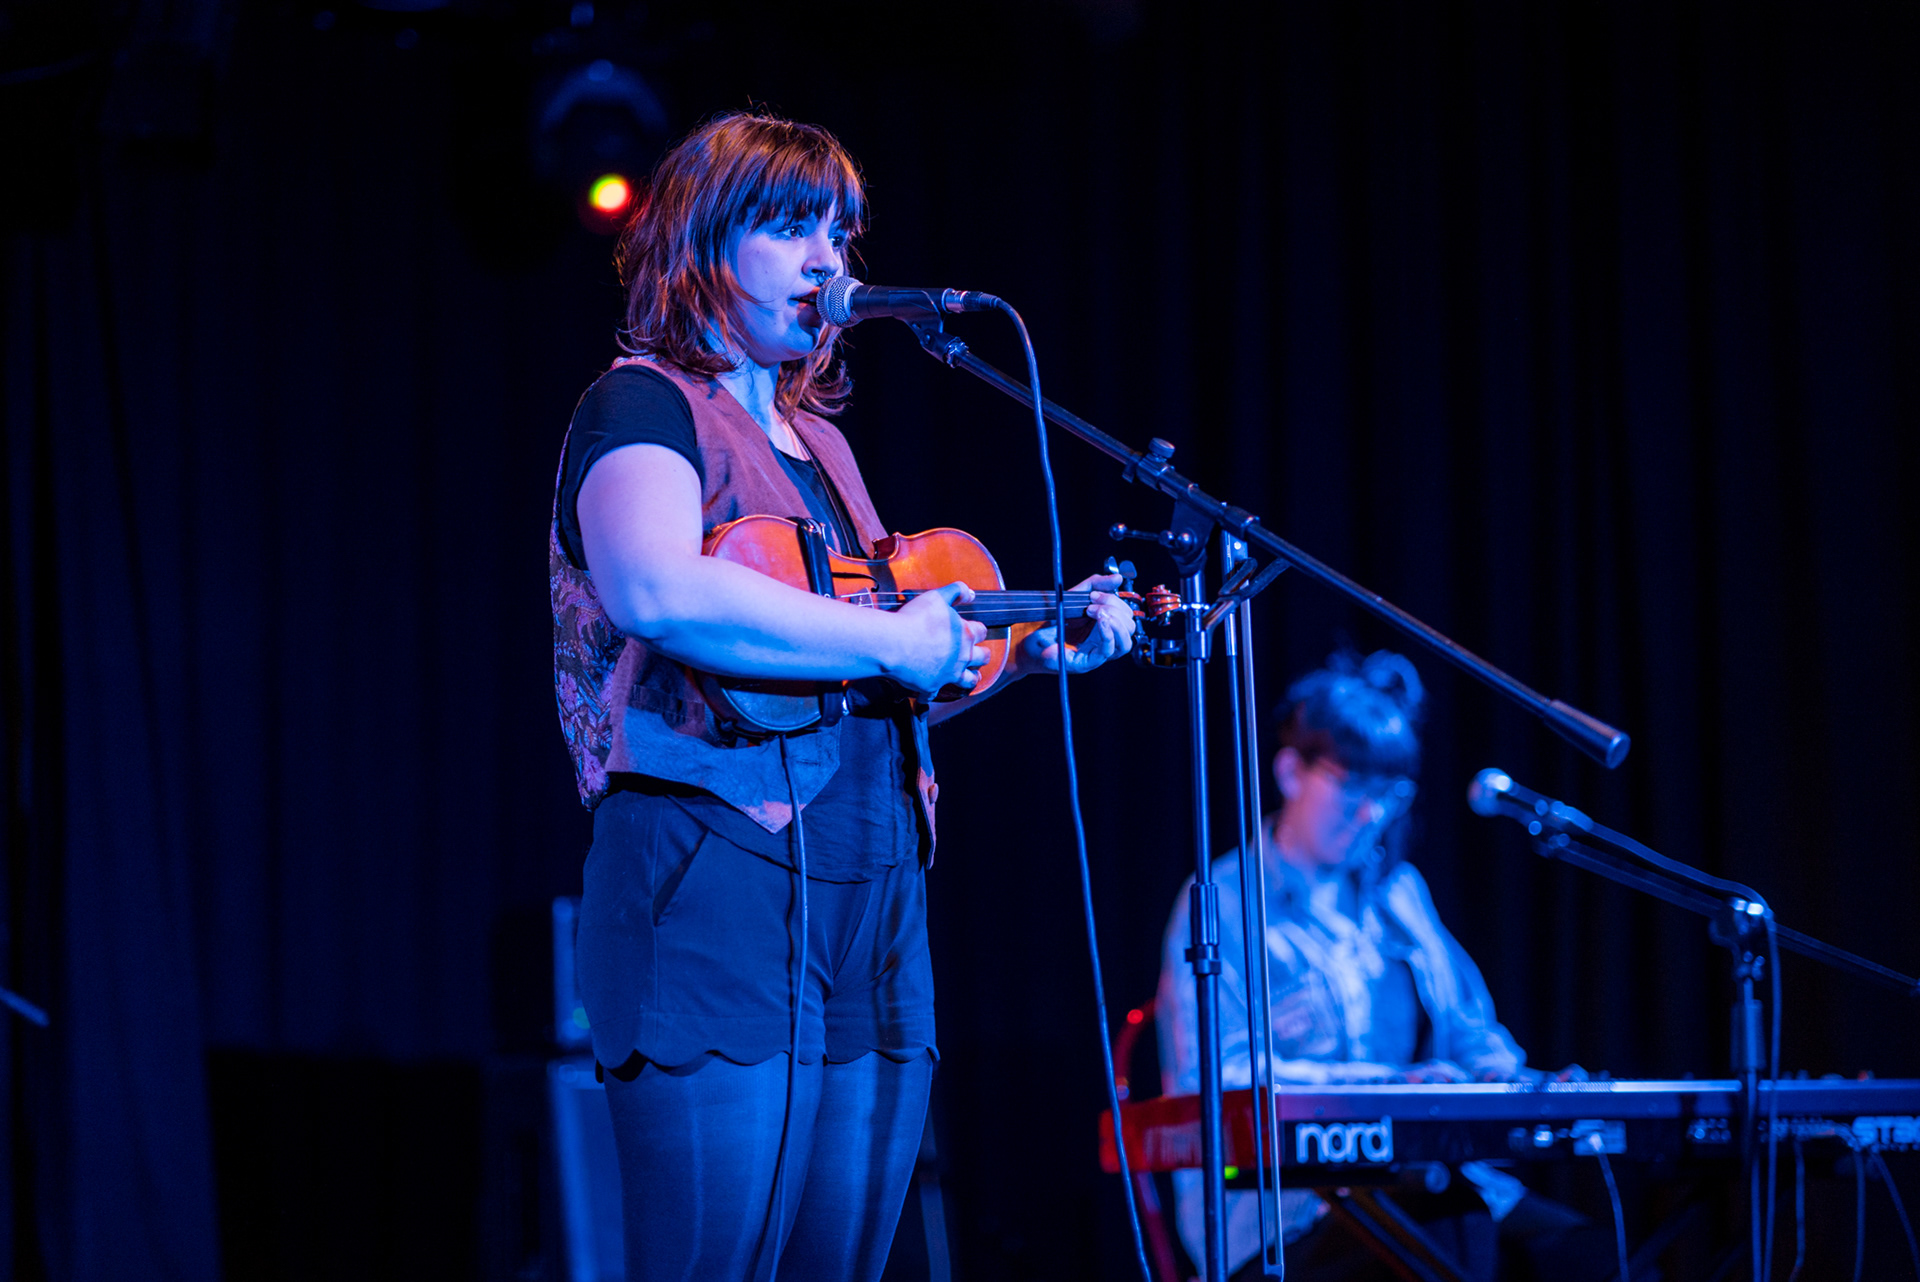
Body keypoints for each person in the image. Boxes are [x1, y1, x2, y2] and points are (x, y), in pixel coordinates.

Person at [549, 112, 1136, 1282]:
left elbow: (846, 685)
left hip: (872, 888)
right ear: (700, 244)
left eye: (838, 234)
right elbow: (657, 588)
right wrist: (891, 639)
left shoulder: (825, 448)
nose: (828, 261)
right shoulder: (642, 406)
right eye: (788, 228)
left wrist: (1016, 657)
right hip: (711, 874)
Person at [1156, 648, 1594, 1282]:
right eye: (1353, 787)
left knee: (1590, 1256)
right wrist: (1388, 1085)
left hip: (1427, 1187)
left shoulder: (1399, 894)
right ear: (1290, 771)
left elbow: (1469, 1033)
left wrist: (1518, 1083)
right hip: (1285, 1218)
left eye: (1389, 794)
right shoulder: (1223, 901)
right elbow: (1216, 1078)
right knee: (1448, 1219)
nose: (1372, 814)